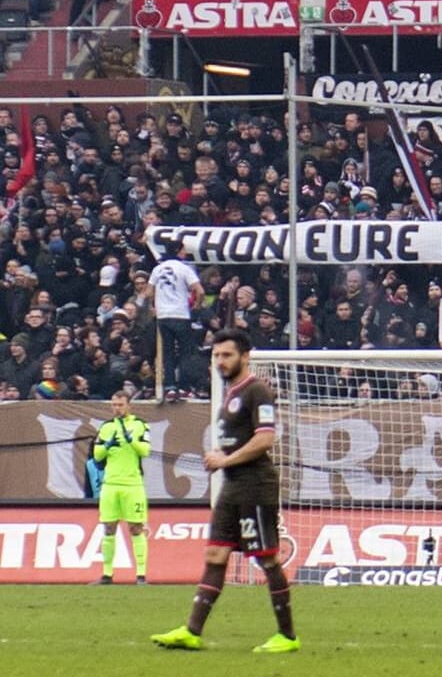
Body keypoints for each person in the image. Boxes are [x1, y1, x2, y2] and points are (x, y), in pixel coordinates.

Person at [151, 329, 298, 653]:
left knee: (268, 558)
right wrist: (224, 462)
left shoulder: (256, 390)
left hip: (255, 484)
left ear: (245, 357)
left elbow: (265, 439)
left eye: (227, 355)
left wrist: (225, 459)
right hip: (233, 483)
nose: (220, 361)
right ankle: (192, 631)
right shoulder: (231, 391)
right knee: (215, 554)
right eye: (216, 355)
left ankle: (287, 636)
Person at [91, 388, 151, 585]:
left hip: (133, 484)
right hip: (110, 484)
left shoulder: (140, 425)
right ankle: (107, 574)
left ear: (128, 405)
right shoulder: (106, 427)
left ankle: (141, 575)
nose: (117, 409)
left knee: (136, 528)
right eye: (114, 405)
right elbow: (97, 455)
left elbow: (145, 451)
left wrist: (131, 440)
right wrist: (107, 445)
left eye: (120, 405)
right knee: (109, 527)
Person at [145, 248, 204, 402]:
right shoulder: (184, 268)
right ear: (179, 252)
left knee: (167, 352)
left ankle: (170, 388)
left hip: (163, 316)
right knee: (185, 352)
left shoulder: (157, 269)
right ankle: (184, 387)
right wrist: (196, 306)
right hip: (180, 314)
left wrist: (153, 307)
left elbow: (148, 293)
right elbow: (200, 290)